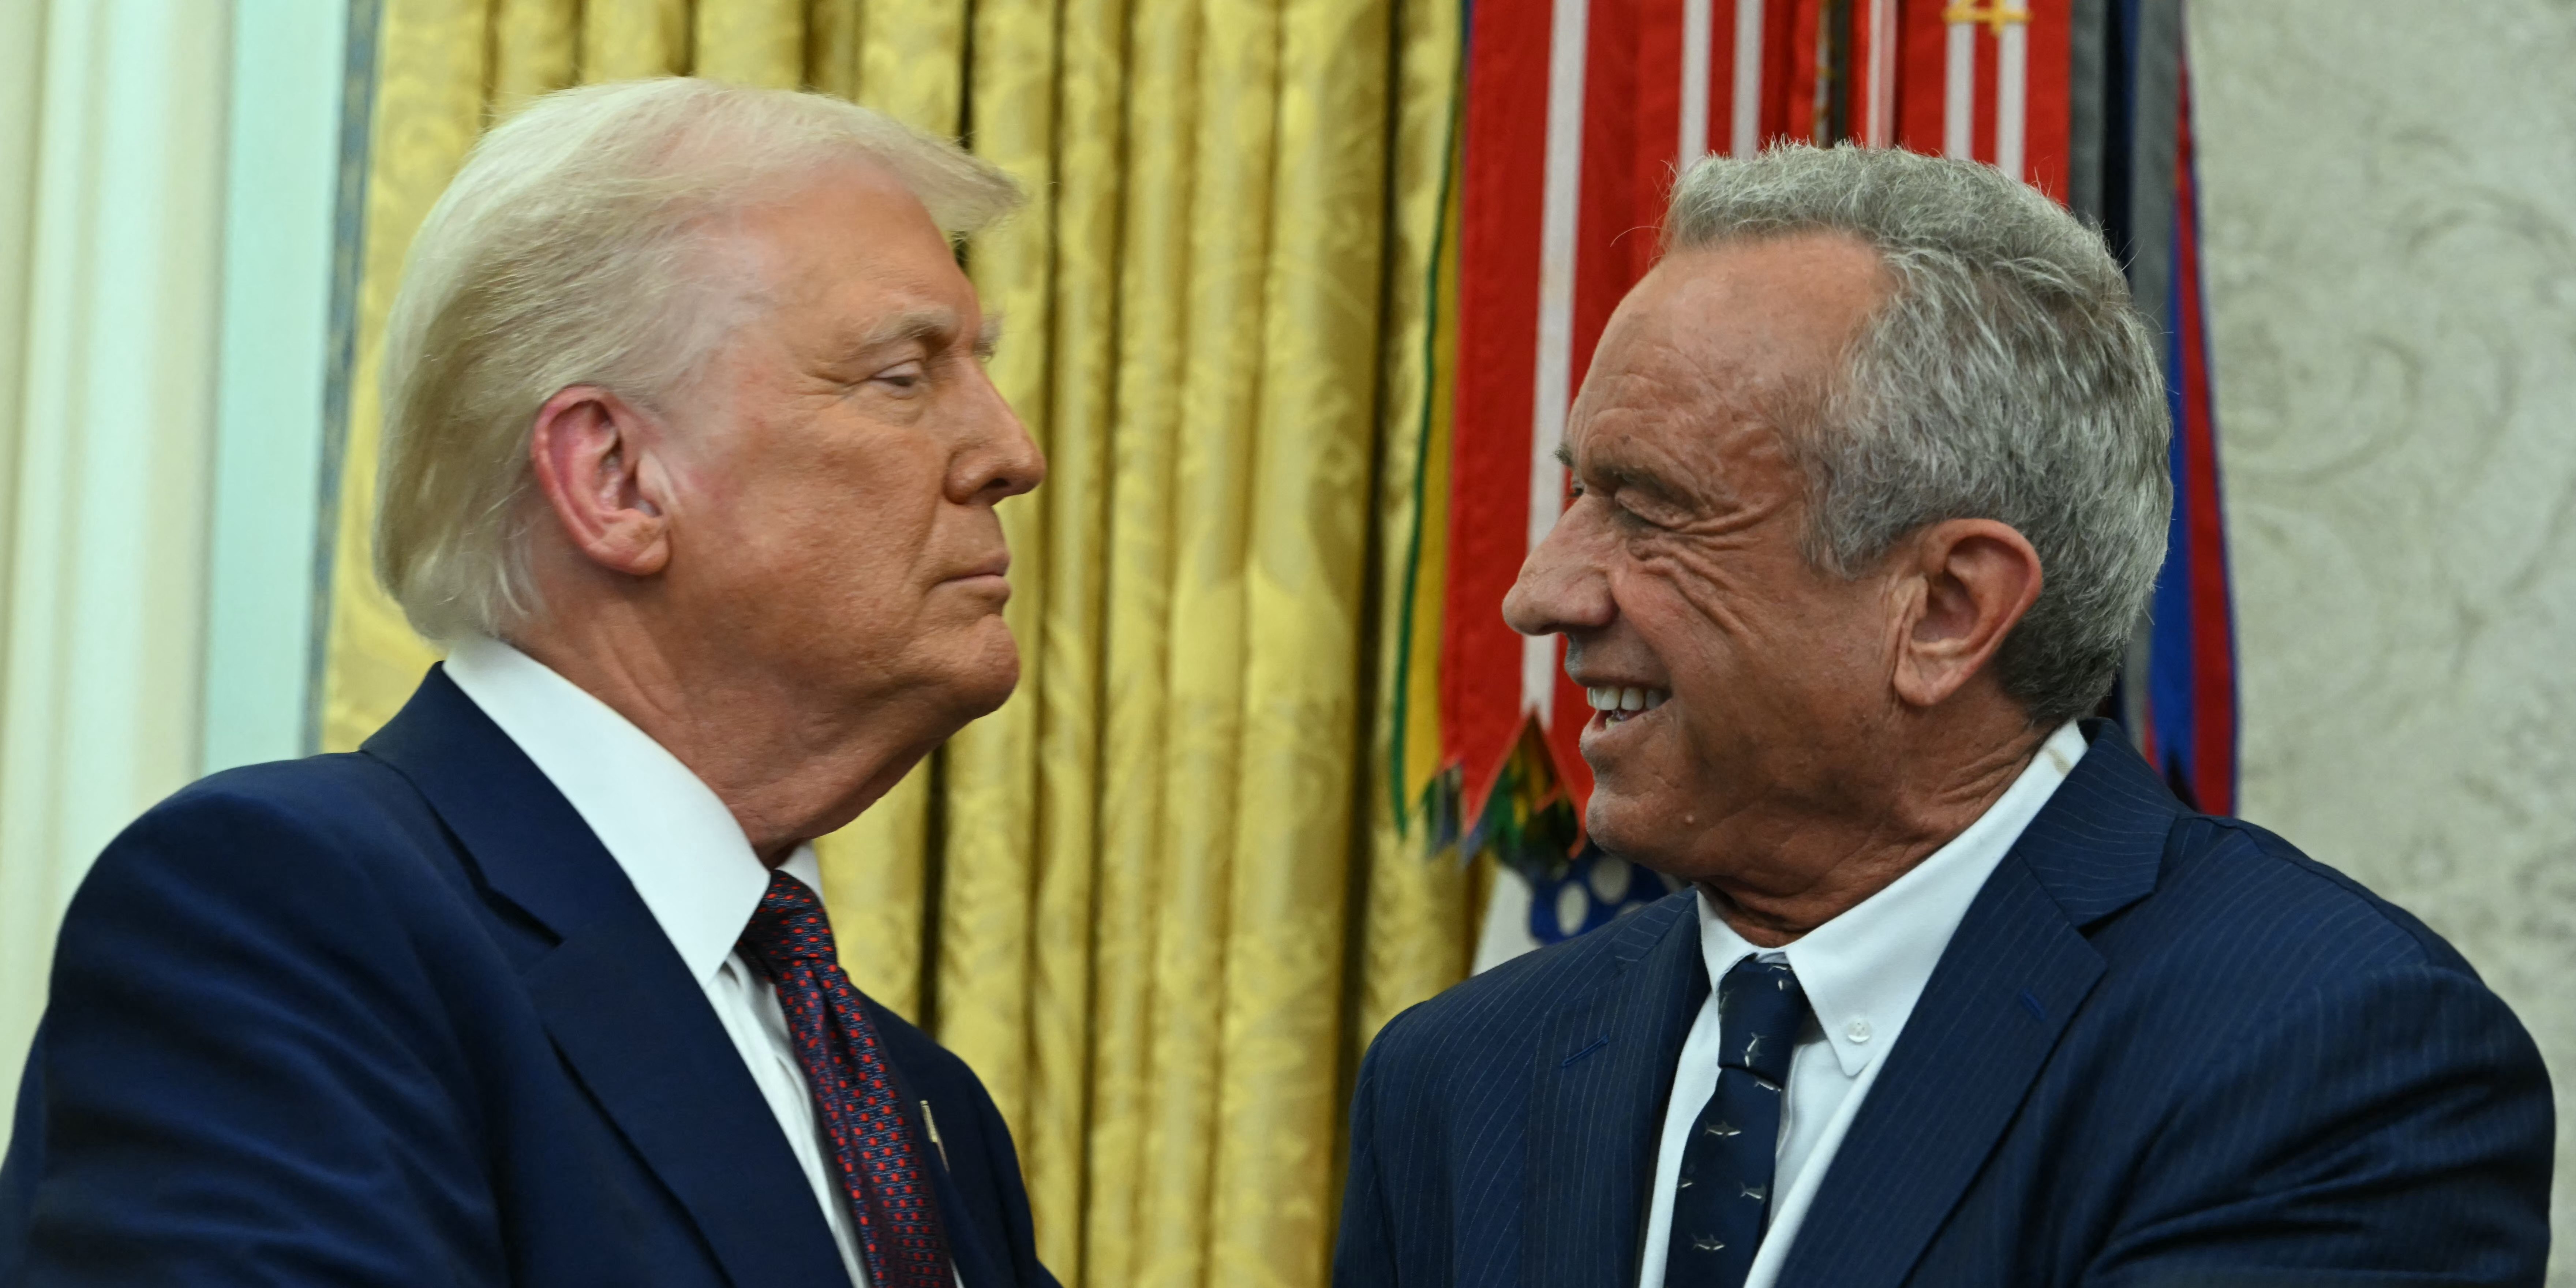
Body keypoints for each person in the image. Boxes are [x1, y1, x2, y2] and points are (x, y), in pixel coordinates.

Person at [1333, 145, 2552, 1288]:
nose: (1540, 593)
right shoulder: (1457, 1080)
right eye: (1579, 496)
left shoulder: (2325, 1059)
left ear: (1948, 611)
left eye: (1648, 512)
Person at [1, 79, 1055, 1288]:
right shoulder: (282, 916)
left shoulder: (922, 1108)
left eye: (976, 367)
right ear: (616, 479)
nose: (1012, 452)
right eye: (904, 375)